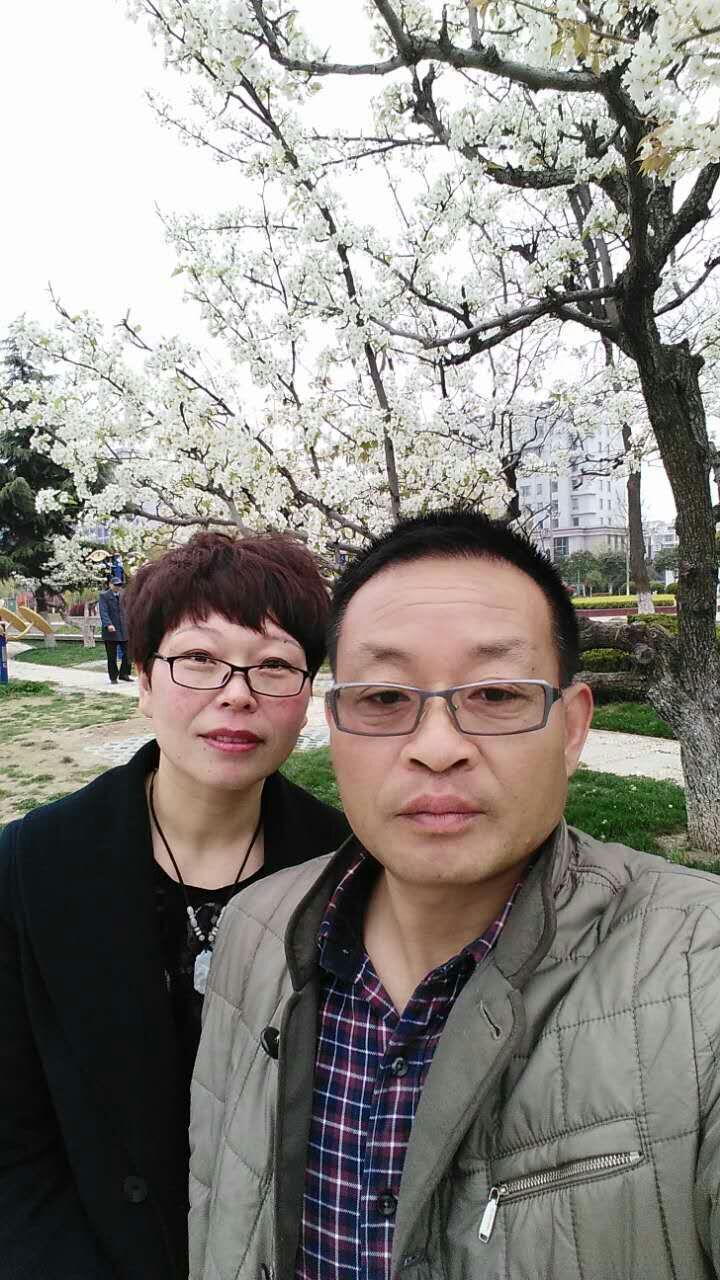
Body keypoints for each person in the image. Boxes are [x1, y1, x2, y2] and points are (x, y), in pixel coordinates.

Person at [190, 508, 720, 1280]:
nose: (437, 748)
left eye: (497, 693)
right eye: (383, 699)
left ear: (572, 729)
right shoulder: (254, 935)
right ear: (334, 727)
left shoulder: (701, 975)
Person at [0, 531, 350, 1280]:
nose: (237, 693)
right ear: (142, 678)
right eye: (198, 658)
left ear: (306, 696)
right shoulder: (29, 868)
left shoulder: (346, 871)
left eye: (275, 665)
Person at [98, 577, 132, 683]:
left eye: (119, 585)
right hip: (111, 631)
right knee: (112, 656)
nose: (118, 587)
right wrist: (108, 624)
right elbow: (103, 611)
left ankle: (124, 674)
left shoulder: (124, 595)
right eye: (116, 585)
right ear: (110, 584)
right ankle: (113, 677)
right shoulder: (104, 596)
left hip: (124, 629)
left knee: (129, 653)